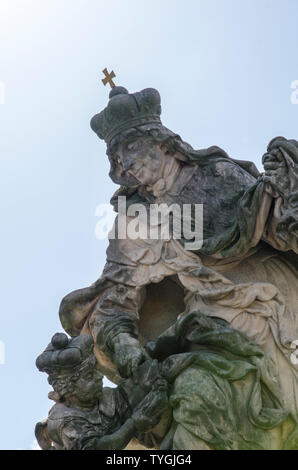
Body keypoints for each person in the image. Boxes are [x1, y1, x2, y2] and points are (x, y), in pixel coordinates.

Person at [58, 86, 298, 447]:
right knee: (196, 394)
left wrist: (285, 190)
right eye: (115, 156)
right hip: (208, 324)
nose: (124, 162)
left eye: (130, 147)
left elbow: (277, 226)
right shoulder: (135, 222)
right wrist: (125, 347)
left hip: (275, 299)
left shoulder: (216, 175)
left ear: (161, 141)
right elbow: (113, 304)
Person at [35, 333, 168, 450]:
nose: (100, 376)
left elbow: (128, 395)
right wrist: (133, 424)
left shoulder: (104, 396)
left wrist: (154, 377)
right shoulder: (66, 421)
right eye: (89, 376)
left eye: (95, 369)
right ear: (67, 388)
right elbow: (98, 447)